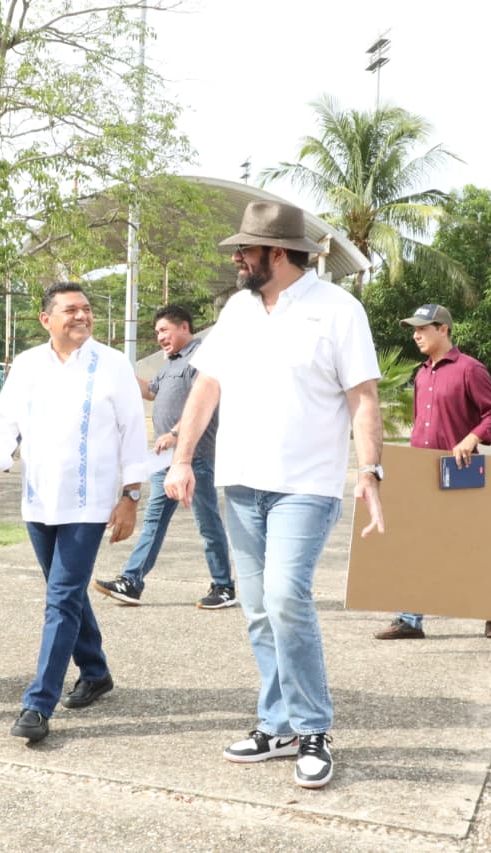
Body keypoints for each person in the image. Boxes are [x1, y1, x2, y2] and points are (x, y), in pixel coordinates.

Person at [163, 201, 385, 789]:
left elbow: (363, 397)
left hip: (305, 486)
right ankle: (277, 724)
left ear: (278, 253)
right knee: (259, 608)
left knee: (287, 598)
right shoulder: (238, 309)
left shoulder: (338, 310)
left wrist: (370, 470)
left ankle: (313, 729)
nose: (237, 258)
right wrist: (182, 459)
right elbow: (207, 386)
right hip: (239, 482)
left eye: (246, 250)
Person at [0, 282, 148, 744]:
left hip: (89, 503)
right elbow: (5, 421)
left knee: (60, 597)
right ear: (46, 319)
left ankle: (38, 704)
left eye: (86, 309)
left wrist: (131, 496)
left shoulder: (113, 364)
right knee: (67, 593)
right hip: (39, 500)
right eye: (71, 309)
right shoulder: (28, 364)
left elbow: (134, 432)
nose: (81, 316)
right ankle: (95, 671)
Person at [373, 304, 491, 642]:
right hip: (421, 470)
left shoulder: (470, 369)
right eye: (414, 329)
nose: (416, 335)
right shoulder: (422, 374)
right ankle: (410, 619)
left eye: (422, 328)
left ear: (444, 329)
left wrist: (472, 437)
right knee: (415, 543)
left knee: (464, 544)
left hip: (459, 470)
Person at [92, 304, 235, 609]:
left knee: (207, 522)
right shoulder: (171, 363)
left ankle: (223, 586)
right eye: (157, 332)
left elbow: (204, 401)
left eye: (164, 330)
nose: (159, 337)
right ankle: (132, 582)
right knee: (154, 521)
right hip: (164, 461)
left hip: (195, 458)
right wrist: (121, 372)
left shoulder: (201, 358)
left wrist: (174, 432)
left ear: (184, 327)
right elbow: (150, 391)